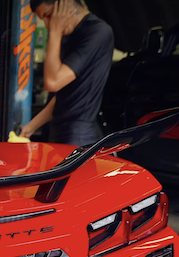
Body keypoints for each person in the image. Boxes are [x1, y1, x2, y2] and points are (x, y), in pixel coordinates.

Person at [20, 0, 115, 147]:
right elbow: (65, 96)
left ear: (65, 4)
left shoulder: (98, 32)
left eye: (48, 15)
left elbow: (52, 82)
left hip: (79, 137)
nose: (47, 24)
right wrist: (31, 127)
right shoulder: (68, 35)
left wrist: (55, 31)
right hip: (59, 132)